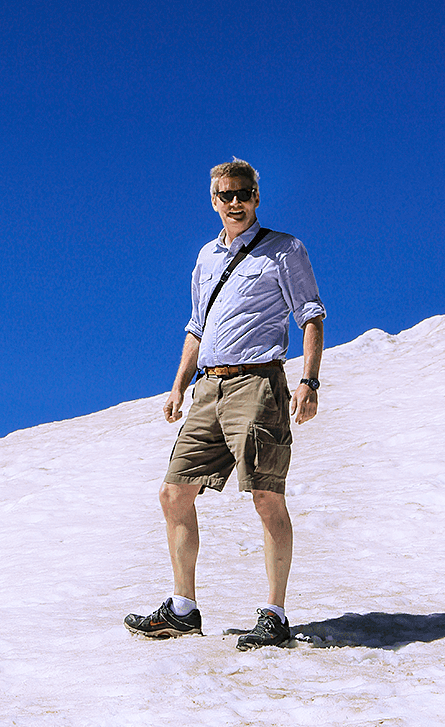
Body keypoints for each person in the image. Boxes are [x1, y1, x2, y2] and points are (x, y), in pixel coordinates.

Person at [125, 159, 326, 650]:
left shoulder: (283, 250)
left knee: (265, 494)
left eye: (243, 193)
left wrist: (309, 381)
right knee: (174, 494)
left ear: (256, 196)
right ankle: (183, 609)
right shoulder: (205, 257)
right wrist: (177, 385)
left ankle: (275, 615)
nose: (235, 202)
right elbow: (197, 325)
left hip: (258, 382)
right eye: (226, 195)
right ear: (213, 200)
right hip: (207, 387)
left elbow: (312, 315)